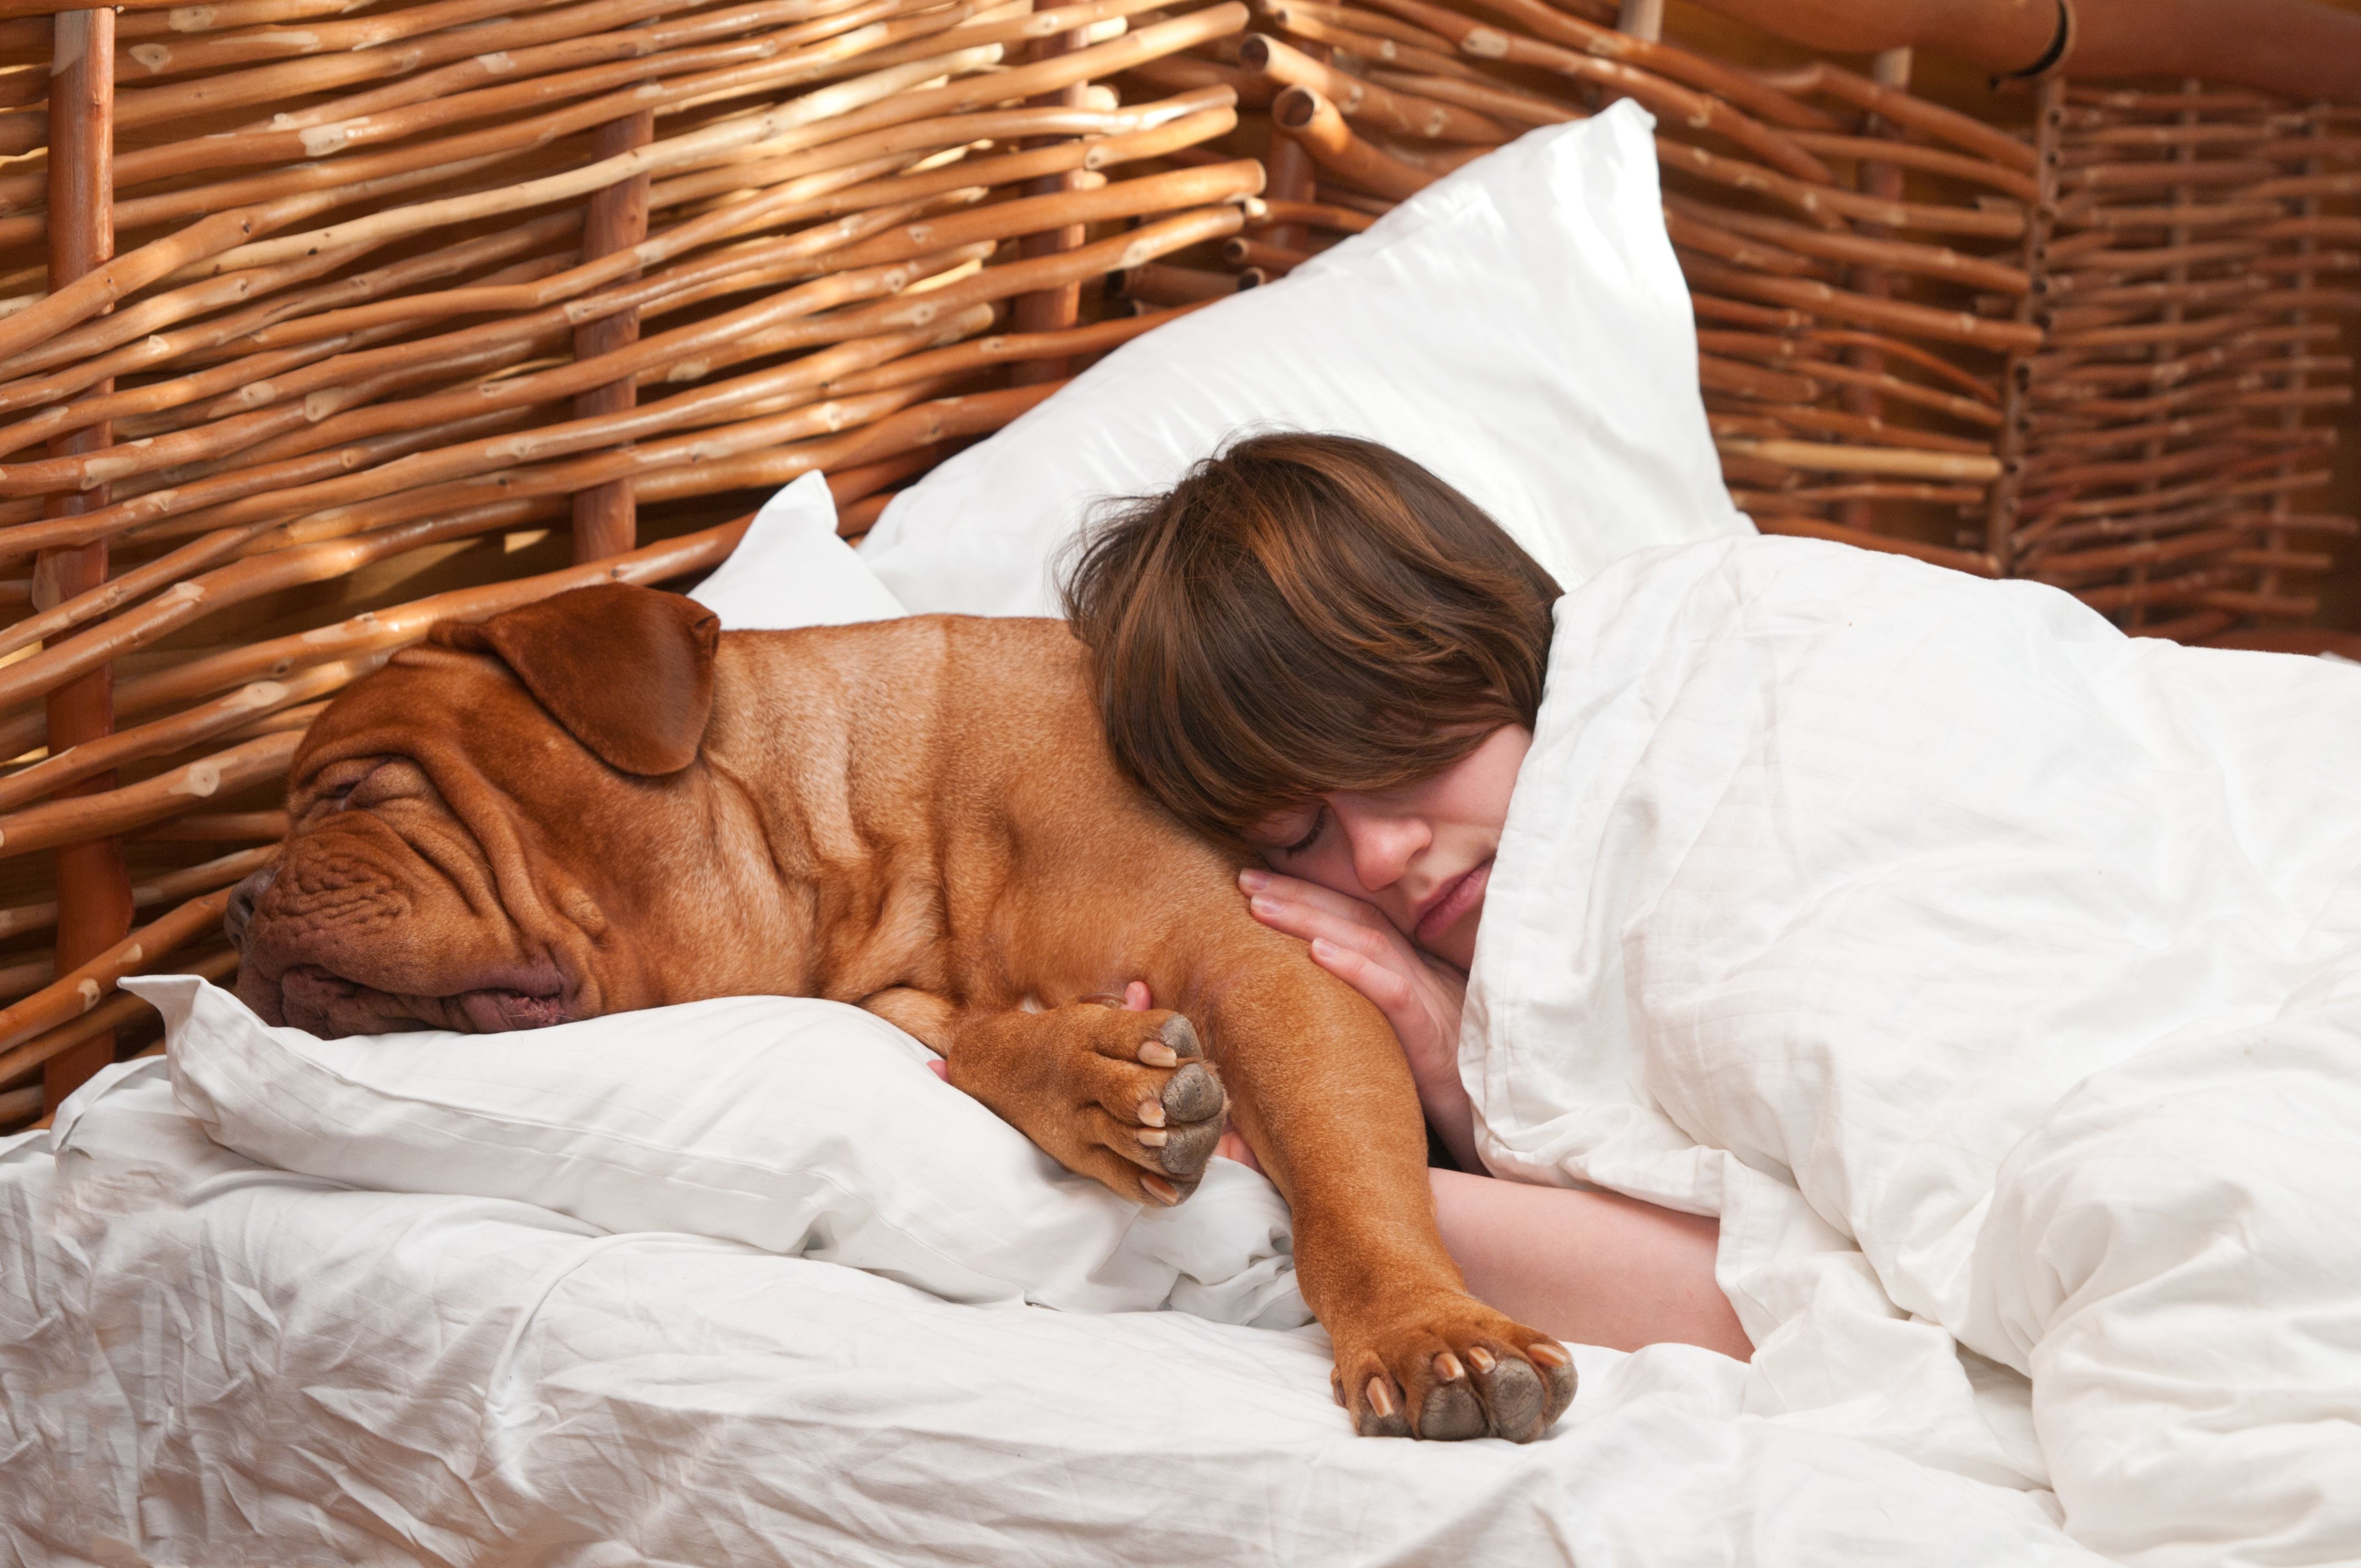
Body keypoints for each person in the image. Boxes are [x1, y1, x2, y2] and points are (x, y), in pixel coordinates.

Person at [1057, 431, 1753, 1363]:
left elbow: (1782, 1309)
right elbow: (1779, 1294)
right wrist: (1311, 1136)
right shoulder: (1378, 1010)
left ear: (1495, 639)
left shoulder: (1713, 708)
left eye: (1405, 745)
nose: (1383, 855)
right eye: (1297, 837)